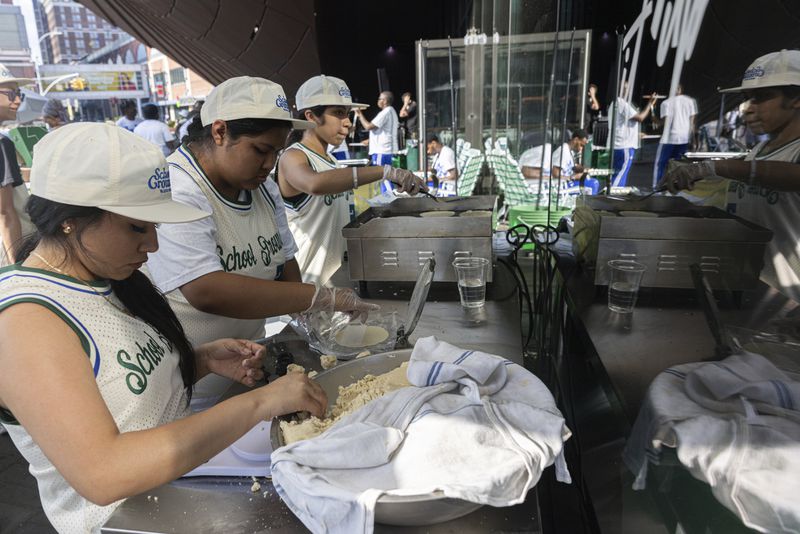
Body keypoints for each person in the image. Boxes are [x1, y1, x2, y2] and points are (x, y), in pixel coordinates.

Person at [0, 122, 329, 533]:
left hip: (177, 491)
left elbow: (118, 389)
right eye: (138, 227)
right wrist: (261, 403)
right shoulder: (25, 320)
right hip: (124, 521)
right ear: (69, 219)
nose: (152, 245)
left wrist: (199, 361)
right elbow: (104, 473)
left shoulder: (111, 280)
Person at [146, 76, 379, 409]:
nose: (270, 164)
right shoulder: (180, 190)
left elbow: (285, 262)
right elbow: (205, 290)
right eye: (260, 150)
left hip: (248, 368)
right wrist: (322, 297)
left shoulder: (263, 189)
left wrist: (310, 317)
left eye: (277, 152)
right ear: (220, 131)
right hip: (190, 390)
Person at [659, 49, 800, 302]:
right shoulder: (760, 150)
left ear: (796, 98)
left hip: (790, 301)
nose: (748, 109)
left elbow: (789, 176)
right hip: (754, 291)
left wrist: (716, 167)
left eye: (762, 97)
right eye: (748, 98)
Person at [277, 75, 425, 286]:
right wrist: (385, 171)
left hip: (333, 285)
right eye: (338, 113)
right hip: (304, 285)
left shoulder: (333, 162)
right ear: (311, 116)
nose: (347, 122)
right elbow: (315, 184)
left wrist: (393, 197)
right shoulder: (293, 157)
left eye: (347, 113)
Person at [0, 64, 36, 265]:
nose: (17, 100)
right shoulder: (2, 143)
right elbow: (5, 213)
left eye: (19, 93)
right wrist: (17, 267)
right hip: (11, 247)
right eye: (11, 93)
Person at [609, 82, 658, 187]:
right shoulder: (621, 102)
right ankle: (612, 196)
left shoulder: (615, 103)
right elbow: (640, 118)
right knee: (620, 174)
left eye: (628, 88)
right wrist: (650, 104)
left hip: (618, 146)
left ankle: (614, 195)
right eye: (625, 88)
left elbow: (620, 126)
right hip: (624, 146)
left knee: (617, 174)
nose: (628, 91)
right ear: (620, 89)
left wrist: (636, 134)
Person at [652, 84, 698, 186]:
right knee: (679, 165)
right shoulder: (690, 102)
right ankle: (677, 186)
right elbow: (692, 123)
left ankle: (658, 187)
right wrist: (694, 140)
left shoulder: (666, 103)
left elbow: (663, 123)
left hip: (669, 139)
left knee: (662, 164)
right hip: (684, 138)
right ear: (681, 89)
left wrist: (653, 116)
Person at [354, 91, 399, 191]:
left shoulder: (386, 111)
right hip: (386, 150)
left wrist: (359, 114)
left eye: (379, 99)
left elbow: (368, 126)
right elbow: (385, 132)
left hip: (381, 151)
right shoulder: (391, 111)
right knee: (385, 175)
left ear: (385, 100)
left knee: (383, 176)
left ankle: (389, 199)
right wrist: (370, 140)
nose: (378, 101)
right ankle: (389, 198)